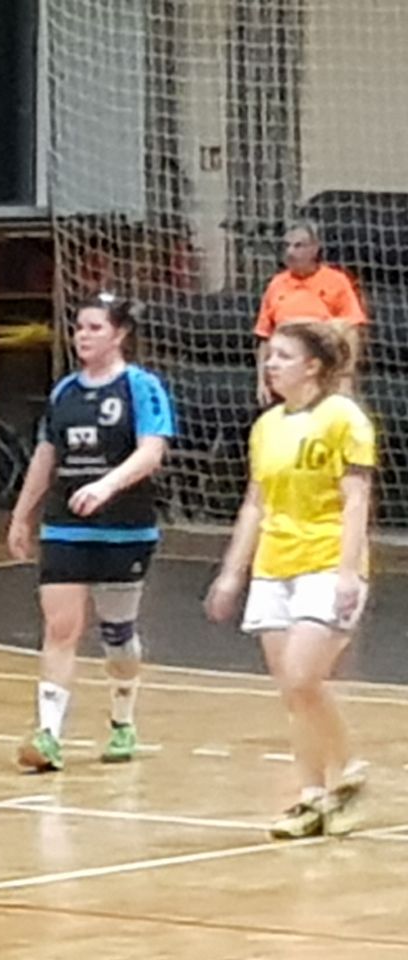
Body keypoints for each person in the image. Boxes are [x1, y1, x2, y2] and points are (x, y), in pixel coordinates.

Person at [205, 320, 374, 839]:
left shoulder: (343, 417)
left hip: (325, 561)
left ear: (313, 366)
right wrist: (232, 573)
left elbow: (356, 500)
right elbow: (255, 503)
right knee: (293, 692)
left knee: (304, 677)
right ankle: (312, 796)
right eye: (269, 354)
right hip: (274, 567)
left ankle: (350, 768)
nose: (270, 363)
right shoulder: (267, 427)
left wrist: (348, 572)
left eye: (282, 355)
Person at [7, 294, 176, 772]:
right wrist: (22, 514)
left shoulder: (141, 387)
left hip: (124, 526)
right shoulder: (64, 392)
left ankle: (123, 719)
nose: (83, 335)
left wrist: (106, 486)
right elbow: (46, 455)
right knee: (60, 628)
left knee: (117, 632)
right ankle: (48, 734)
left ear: (119, 334)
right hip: (66, 525)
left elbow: (151, 452)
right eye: (79, 327)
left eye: (95, 327)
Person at [255, 221, 367, 405]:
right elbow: (265, 337)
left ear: (315, 249)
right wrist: (262, 381)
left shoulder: (337, 281)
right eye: (287, 246)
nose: (290, 252)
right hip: (286, 380)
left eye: (298, 246)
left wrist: (345, 378)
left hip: (325, 376)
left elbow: (351, 330)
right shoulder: (276, 284)